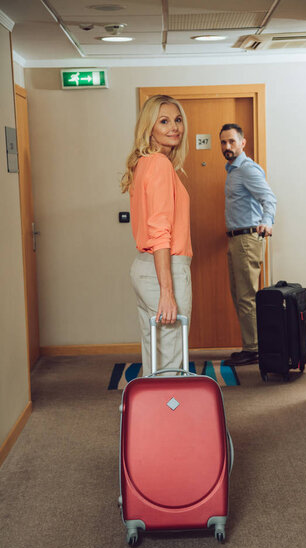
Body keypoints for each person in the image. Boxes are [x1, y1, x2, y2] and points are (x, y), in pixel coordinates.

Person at [121, 95, 192, 376]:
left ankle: (148, 417)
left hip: (144, 267)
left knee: (155, 354)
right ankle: (165, 417)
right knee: (170, 357)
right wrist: (167, 290)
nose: (174, 127)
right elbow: (159, 231)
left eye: (177, 120)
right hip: (164, 270)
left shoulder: (144, 163)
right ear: (149, 128)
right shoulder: (159, 164)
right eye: (164, 121)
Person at [220, 123, 277, 367]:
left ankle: (254, 349)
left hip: (247, 239)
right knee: (240, 294)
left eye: (232, 141)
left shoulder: (246, 169)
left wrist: (267, 222)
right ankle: (250, 345)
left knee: (246, 296)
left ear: (243, 142)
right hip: (236, 239)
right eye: (223, 142)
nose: (227, 146)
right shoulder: (232, 170)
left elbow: (269, 198)